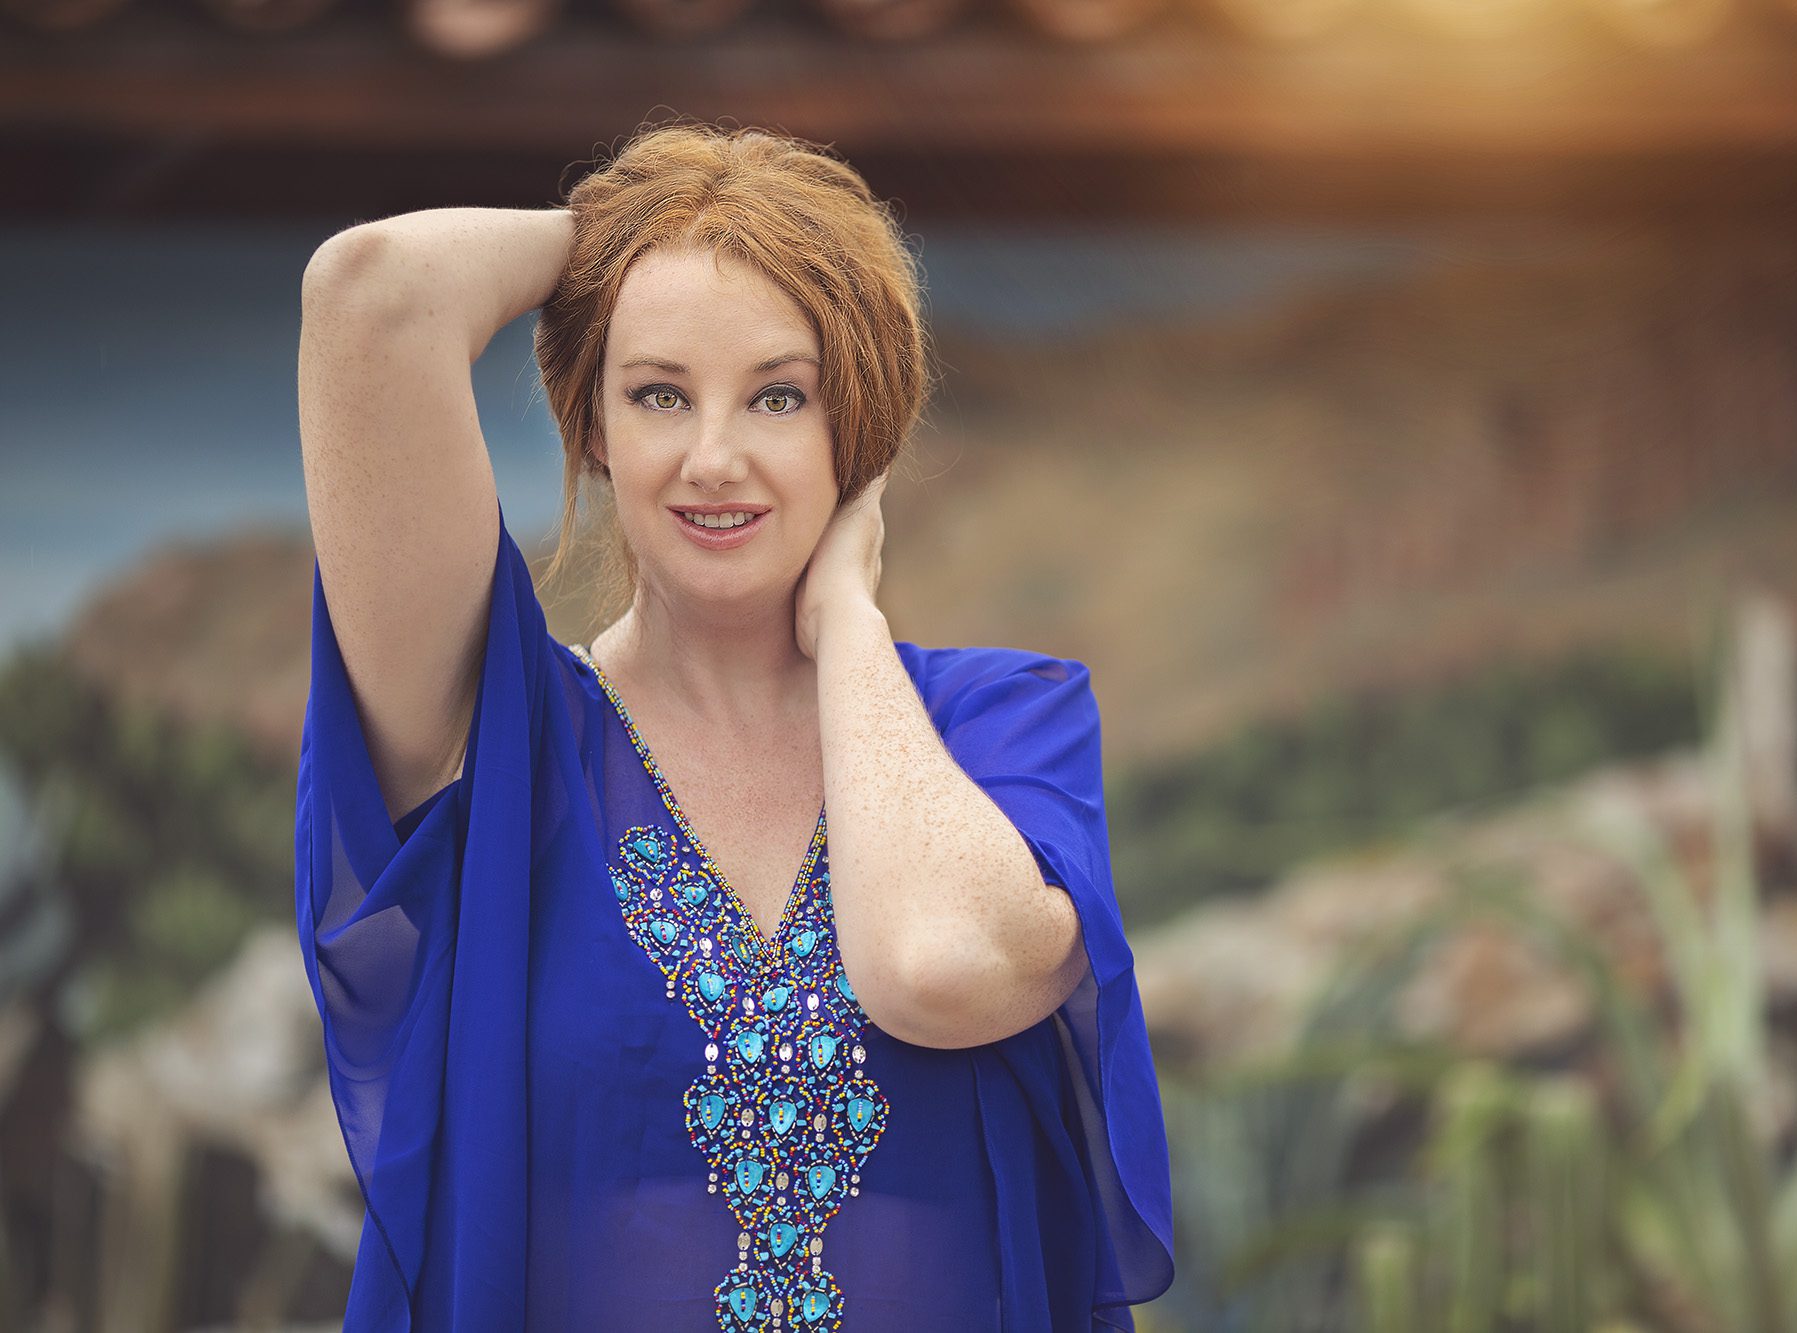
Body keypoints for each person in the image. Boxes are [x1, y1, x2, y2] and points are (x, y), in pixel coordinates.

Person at [294, 122, 1174, 1332]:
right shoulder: (500, 741)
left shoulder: (998, 726)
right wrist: (647, 229)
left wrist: (846, 622)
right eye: (659, 392)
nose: (714, 458)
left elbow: (938, 967)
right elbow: (368, 292)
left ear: (850, 430)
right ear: (592, 429)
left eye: (777, 395)